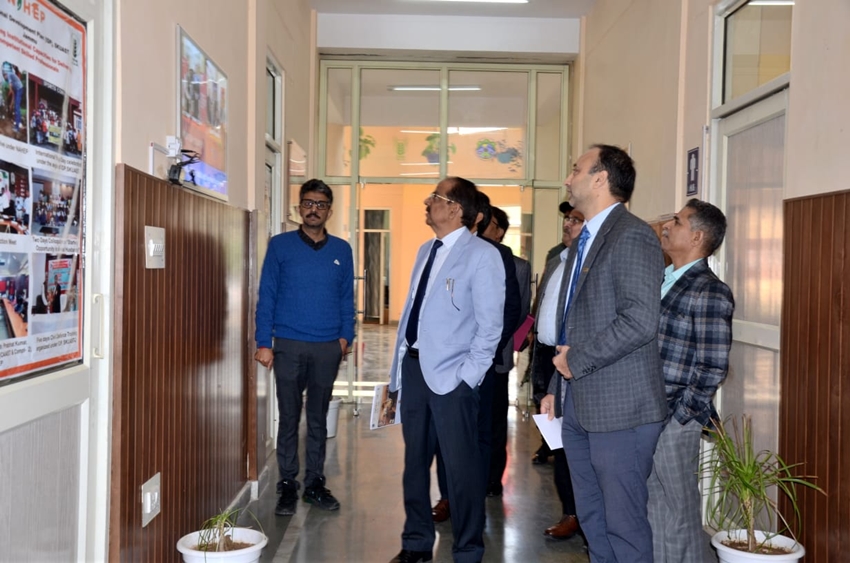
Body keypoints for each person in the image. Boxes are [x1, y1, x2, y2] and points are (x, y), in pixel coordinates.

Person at [541, 144, 667, 563]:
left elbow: (640, 320)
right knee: (593, 518)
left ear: (600, 178)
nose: (568, 178)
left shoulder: (631, 236)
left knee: (623, 526)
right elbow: (574, 324)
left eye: (575, 170)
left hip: (621, 410)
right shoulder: (585, 240)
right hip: (579, 402)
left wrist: (574, 362)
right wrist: (557, 384)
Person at [388, 177, 504, 563]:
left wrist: (467, 378)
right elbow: (414, 312)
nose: (427, 202)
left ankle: (468, 550)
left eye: (435, 197)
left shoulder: (482, 255)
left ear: (455, 208)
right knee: (414, 465)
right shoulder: (426, 249)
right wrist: (398, 372)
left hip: (453, 378)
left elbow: (490, 327)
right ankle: (416, 542)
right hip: (414, 370)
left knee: (461, 470)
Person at [254, 179, 355, 516]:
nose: (314, 210)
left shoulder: (341, 250)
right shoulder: (280, 246)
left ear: (329, 211)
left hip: (327, 346)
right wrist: (263, 342)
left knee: (318, 419)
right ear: (300, 208)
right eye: (309, 203)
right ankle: (287, 484)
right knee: (288, 417)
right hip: (289, 345)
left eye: (321, 204)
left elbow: (346, 298)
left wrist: (346, 337)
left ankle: (314, 484)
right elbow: (267, 294)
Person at [648, 199, 734, 563]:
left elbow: (713, 366)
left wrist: (681, 417)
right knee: (655, 503)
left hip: (675, 418)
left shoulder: (709, 290)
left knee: (677, 507)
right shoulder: (664, 279)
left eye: (678, 222)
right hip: (649, 412)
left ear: (697, 237)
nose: (667, 226)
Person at [531, 203, 585, 541]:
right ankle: (570, 510)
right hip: (546, 356)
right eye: (567, 218)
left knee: (573, 442)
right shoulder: (556, 259)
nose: (568, 224)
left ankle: (578, 514)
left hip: (574, 359)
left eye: (576, 220)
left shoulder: (590, 264)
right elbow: (542, 306)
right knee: (556, 437)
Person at [480, 205, 530, 496]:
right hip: (467, 359)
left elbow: (519, 311)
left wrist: (497, 344)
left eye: (489, 223)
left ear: (499, 231)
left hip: (498, 358)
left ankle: (492, 479)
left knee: (495, 421)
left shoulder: (518, 266)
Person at [2, 63, 23, 133]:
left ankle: (17, 127)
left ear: (4, 75)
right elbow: (13, 94)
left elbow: (10, 90)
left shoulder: (9, 75)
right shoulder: (9, 78)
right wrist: (11, 104)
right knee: (15, 107)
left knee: (17, 107)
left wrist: (7, 98)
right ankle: (17, 123)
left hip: (19, 89)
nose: (5, 79)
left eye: (4, 77)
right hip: (17, 90)